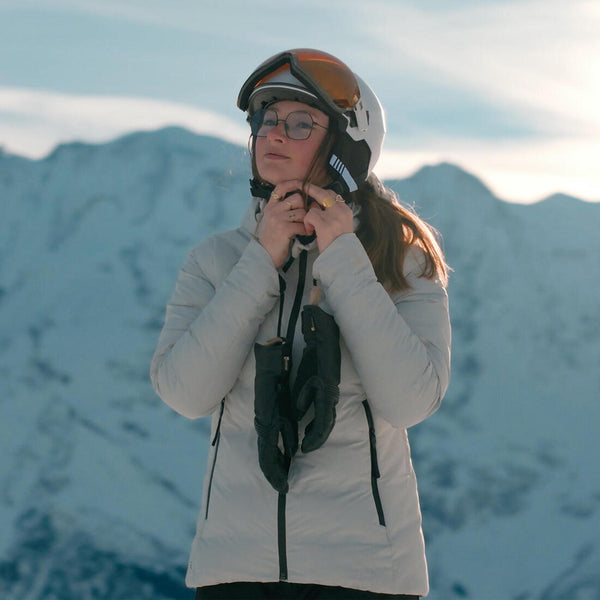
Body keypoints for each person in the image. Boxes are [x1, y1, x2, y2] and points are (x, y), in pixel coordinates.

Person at [150, 49, 451, 599]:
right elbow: (184, 393)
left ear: (344, 146)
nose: (273, 134)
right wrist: (260, 261)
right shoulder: (215, 262)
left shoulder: (402, 261)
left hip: (367, 578)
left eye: (300, 123)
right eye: (267, 119)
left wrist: (343, 260)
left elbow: (410, 401)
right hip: (234, 575)